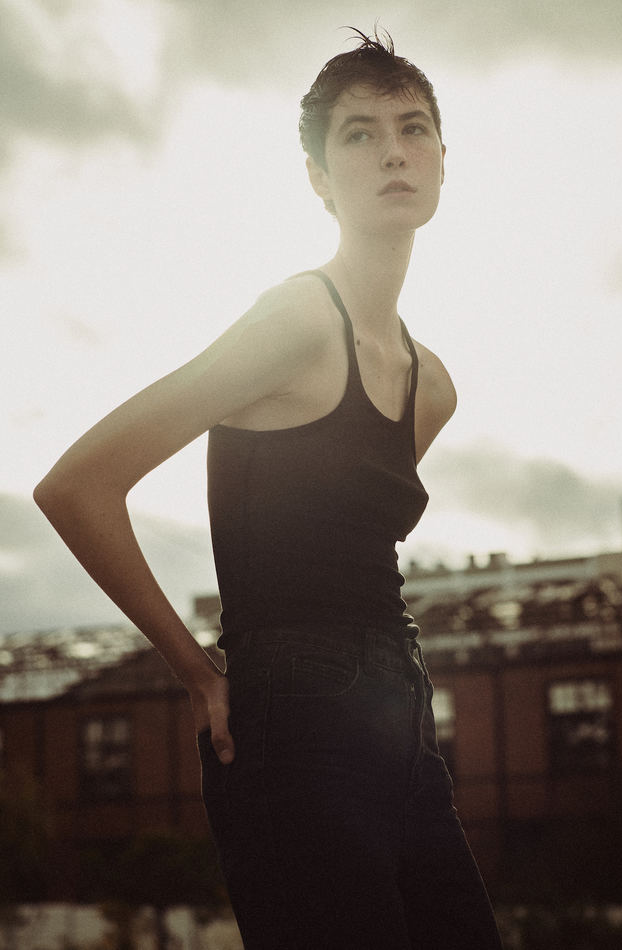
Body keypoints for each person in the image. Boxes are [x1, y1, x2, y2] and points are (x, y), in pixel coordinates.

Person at [34, 28, 503, 950]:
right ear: (319, 179)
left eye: (413, 128)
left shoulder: (433, 386)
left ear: (444, 161)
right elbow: (78, 486)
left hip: (400, 712)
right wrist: (195, 672)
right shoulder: (294, 321)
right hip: (290, 716)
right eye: (360, 134)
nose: (393, 151)